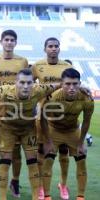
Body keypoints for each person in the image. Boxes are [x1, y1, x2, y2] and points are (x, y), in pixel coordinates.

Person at [0, 69, 59, 200]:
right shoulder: (5, 90)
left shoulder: (39, 90)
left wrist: (82, 86)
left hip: (28, 130)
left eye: (29, 83)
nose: (26, 86)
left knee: (32, 162)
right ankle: (3, 197)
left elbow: (59, 85)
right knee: (5, 162)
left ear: (33, 83)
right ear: (16, 83)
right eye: (22, 82)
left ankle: (35, 197)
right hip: (8, 129)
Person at [0, 29, 29, 198]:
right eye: (6, 39)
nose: (9, 42)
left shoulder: (23, 61)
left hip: (18, 113)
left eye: (12, 40)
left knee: (16, 152)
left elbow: (28, 84)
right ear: (1, 42)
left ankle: (15, 181)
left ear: (15, 42)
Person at [41, 68, 94, 200]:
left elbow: (86, 122)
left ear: (80, 84)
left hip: (72, 130)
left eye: (75, 84)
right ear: (62, 84)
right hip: (54, 129)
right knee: (47, 159)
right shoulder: (52, 98)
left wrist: (81, 143)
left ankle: (80, 196)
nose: (71, 88)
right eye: (68, 84)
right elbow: (43, 119)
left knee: (81, 159)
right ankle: (46, 195)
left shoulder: (87, 99)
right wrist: (47, 141)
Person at [32, 37, 72, 200]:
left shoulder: (67, 66)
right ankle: (41, 186)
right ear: (45, 48)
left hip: (63, 115)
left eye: (56, 46)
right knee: (42, 152)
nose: (53, 49)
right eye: (50, 46)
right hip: (44, 116)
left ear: (59, 48)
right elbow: (30, 86)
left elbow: (73, 85)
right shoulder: (37, 66)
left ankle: (63, 184)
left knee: (64, 152)